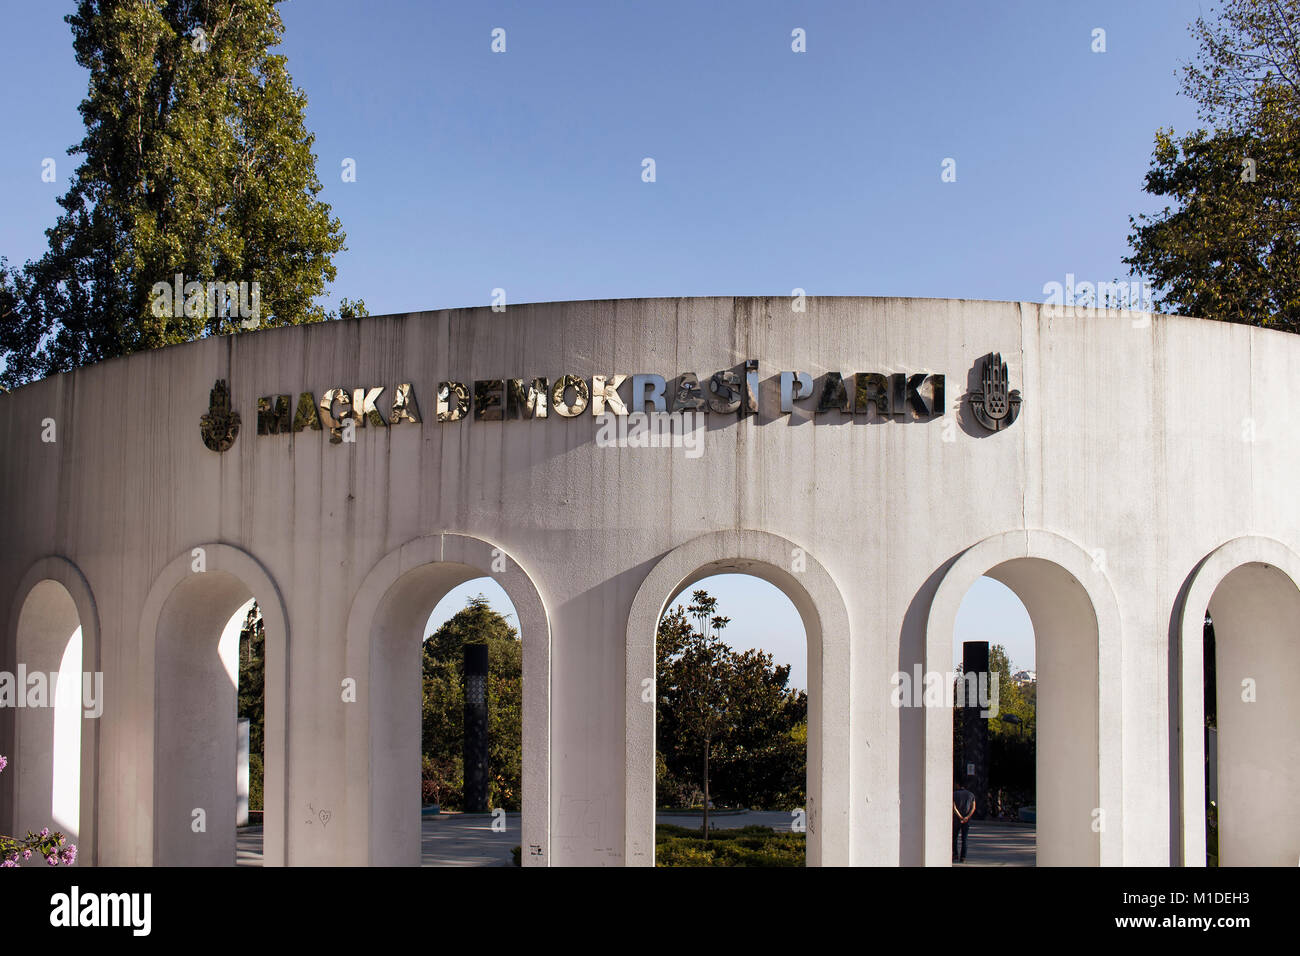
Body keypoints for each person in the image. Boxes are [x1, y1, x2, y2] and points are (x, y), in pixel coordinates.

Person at [953, 778, 976, 863]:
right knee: (964, 838)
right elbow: (973, 807)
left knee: (954, 838)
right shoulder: (971, 795)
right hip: (966, 820)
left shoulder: (954, 794)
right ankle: (963, 857)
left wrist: (960, 816)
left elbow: (954, 807)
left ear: (958, 785)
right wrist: (967, 817)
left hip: (956, 819)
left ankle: (955, 854)